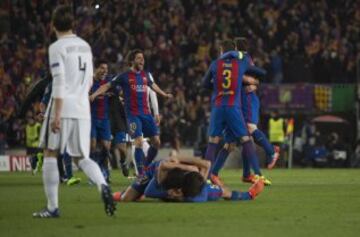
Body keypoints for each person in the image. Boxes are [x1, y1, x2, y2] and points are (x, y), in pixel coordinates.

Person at [33, 5, 115, 218]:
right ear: (73, 24)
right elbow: (89, 80)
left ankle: (52, 207)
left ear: (53, 26)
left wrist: (57, 114)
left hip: (63, 105)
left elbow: (59, 83)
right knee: (81, 157)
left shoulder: (57, 47)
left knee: (50, 152)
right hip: (83, 107)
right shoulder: (85, 46)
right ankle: (103, 184)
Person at [90, 49, 172, 176]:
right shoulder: (124, 76)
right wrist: (94, 94)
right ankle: (140, 174)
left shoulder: (145, 75)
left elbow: (153, 85)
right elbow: (106, 86)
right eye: (139, 58)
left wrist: (164, 94)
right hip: (133, 116)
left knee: (156, 142)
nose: (142, 61)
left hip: (146, 114)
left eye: (143, 59)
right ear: (132, 60)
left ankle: (145, 167)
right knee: (138, 142)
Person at [201, 39, 263, 185]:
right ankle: (258, 175)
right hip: (234, 107)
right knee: (246, 140)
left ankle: (208, 176)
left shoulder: (215, 64)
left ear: (222, 51)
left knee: (214, 142)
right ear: (234, 50)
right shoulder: (240, 63)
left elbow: (204, 84)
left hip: (218, 106)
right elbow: (259, 73)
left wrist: (217, 87)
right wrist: (253, 83)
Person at [112, 156, 264, 203]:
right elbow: (164, 164)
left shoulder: (199, 194)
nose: (172, 194)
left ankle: (250, 194)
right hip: (157, 169)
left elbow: (225, 193)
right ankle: (124, 192)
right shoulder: (159, 184)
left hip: (186, 177)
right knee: (126, 199)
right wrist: (188, 167)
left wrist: (248, 195)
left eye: (174, 194)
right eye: (173, 193)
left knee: (219, 191)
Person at [89, 60, 112, 182]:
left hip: (104, 119)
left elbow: (117, 91)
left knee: (106, 147)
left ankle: (105, 173)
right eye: (102, 68)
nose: (105, 71)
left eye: (106, 69)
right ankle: (93, 175)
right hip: (91, 118)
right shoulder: (89, 81)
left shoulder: (109, 81)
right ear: (96, 68)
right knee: (92, 145)